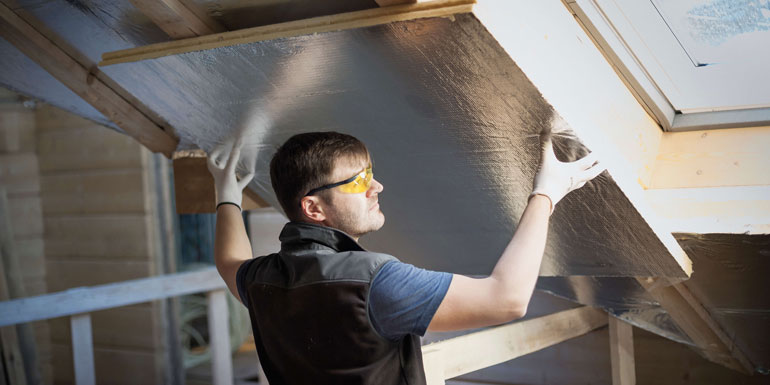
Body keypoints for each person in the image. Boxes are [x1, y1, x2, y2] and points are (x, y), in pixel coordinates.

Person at [206, 131, 604, 385]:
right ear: (313, 208)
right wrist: (546, 194)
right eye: (359, 181)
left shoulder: (263, 280)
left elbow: (229, 262)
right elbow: (507, 299)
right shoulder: (373, 282)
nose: (376, 186)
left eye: (370, 173)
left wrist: (226, 194)